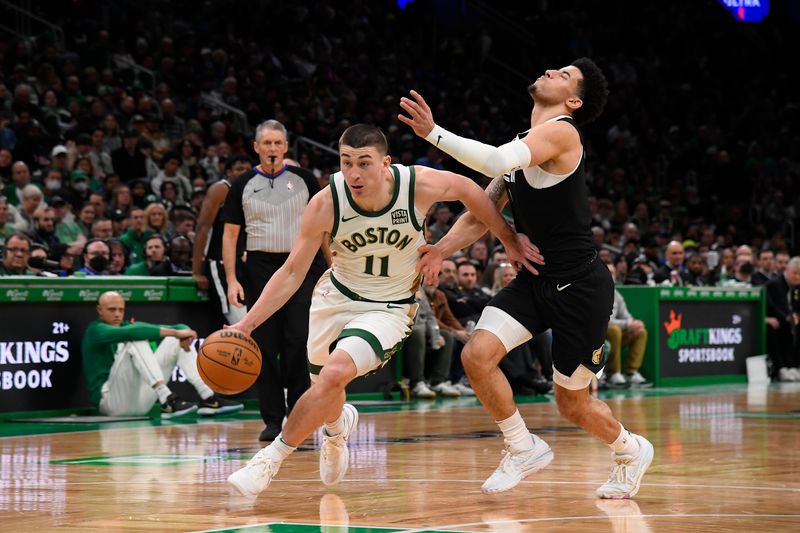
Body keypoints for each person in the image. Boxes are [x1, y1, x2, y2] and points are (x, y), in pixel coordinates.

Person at [226, 123, 532, 499]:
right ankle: (336, 431)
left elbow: (470, 190)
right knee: (324, 386)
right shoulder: (325, 202)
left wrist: (508, 238)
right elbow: (292, 272)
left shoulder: (415, 185)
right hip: (335, 298)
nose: (354, 173)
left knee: (334, 373)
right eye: (346, 162)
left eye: (364, 163)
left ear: (385, 163)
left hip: (389, 307)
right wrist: (246, 324)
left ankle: (268, 461)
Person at [399, 57, 654, 498]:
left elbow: (495, 159)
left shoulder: (563, 131)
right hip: (536, 279)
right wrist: (441, 247)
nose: (552, 71)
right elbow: (482, 211)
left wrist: (434, 134)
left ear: (573, 100)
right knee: (476, 356)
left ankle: (631, 449)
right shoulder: (522, 146)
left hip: (581, 287)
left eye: (565, 75)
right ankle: (522, 447)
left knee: (572, 403)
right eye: (556, 68)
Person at [222, 120, 329, 443]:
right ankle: (271, 420)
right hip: (259, 267)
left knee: (299, 343)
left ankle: (298, 416)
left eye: (277, 143)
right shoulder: (241, 184)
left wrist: (331, 266)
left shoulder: (305, 180)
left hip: (301, 265)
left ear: (285, 147)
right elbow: (230, 235)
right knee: (264, 346)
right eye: (266, 143)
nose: (271, 149)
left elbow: (324, 226)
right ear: (256, 147)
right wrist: (231, 279)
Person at [82, 291, 242, 417]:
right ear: (99, 310)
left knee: (174, 340)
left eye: (121, 310)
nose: (117, 314)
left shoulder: (125, 325)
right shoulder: (95, 330)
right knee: (136, 339)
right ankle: (166, 398)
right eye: (112, 310)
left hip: (141, 402)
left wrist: (182, 332)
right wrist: (176, 332)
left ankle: (209, 398)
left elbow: (178, 327)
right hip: (110, 402)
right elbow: (134, 332)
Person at [192, 155, 251, 325]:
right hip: (218, 263)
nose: (244, 173)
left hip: (240, 262)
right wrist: (196, 271)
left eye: (247, 170)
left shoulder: (252, 192)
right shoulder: (221, 189)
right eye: (239, 169)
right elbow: (202, 228)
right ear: (228, 172)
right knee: (238, 321)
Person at [605, 262, 649, 387]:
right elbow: (605, 321)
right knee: (614, 330)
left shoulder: (616, 295)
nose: (610, 275)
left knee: (640, 332)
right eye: (607, 272)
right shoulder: (594, 293)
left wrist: (634, 323)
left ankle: (630, 371)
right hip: (596, 337)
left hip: (615, 334)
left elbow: (626, 315)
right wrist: (628, 324)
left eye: (613, 273)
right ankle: (613, 373)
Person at [764, 257, 800, 382]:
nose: (797, 277)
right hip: (771, 319)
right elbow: (773, 307)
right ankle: (781, 367)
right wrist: (789, 316)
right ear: (787, 270)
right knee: (781, 327)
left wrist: (795, 315)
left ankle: (794, 365)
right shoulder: (774, 284)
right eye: (795, 273)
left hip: (787, 319)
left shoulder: (797, 287)